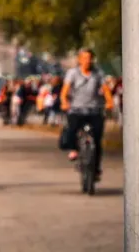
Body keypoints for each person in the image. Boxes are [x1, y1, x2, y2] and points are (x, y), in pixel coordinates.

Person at [60, 49, 115, 181]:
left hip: (94, 110)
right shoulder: (72, 73)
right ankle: (74, 149)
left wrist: (109, 102)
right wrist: (64, 102)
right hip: (76, 109)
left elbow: (106, 89)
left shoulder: (98, 74)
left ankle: (95, 169)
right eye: (84, 58)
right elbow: (65, 91)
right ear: (79, 60)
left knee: (97, 140)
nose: (87, 61)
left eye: (89, 58)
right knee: (72, 129)